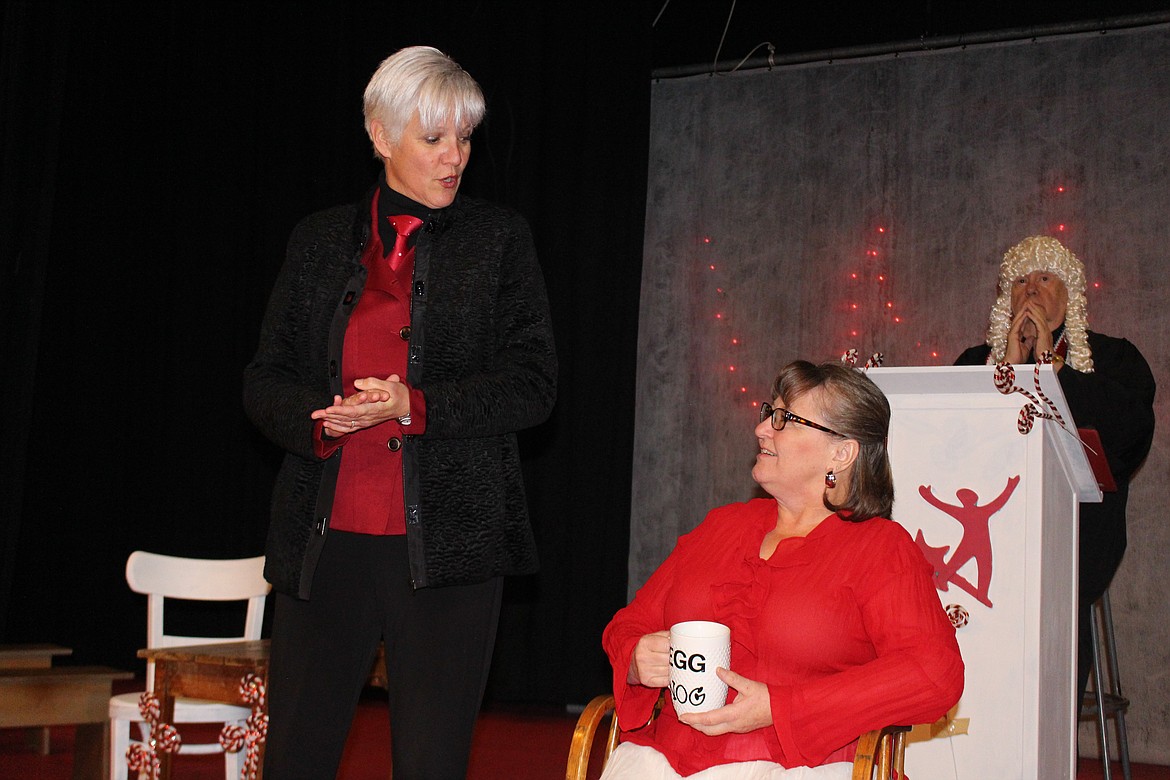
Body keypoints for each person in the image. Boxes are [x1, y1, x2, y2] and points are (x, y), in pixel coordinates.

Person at [243, 46, 556, 778]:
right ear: (381, 137)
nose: (455, 158)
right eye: (434, 138)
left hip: (451, 545)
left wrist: (415, 404)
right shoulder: (318, 240)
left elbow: (533, 386)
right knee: (296, 756)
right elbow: (264, 380)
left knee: (431, 762)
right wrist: (320, 420)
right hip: (325, 543)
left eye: (466, 138)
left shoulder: (499, 240)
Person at [601, 361, 964, 779]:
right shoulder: (722, 526)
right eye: (767, 414)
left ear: (841, 452)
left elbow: (934, 673)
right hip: (662, 762)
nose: (761, 430)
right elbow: (628, 625)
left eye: (784, 419)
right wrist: (636, 658)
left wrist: (784, 707)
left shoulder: (880, 548)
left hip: (795, 767)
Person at [955, 235, 1154, 705]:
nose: (1030, 289)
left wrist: (1051, 369)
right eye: (1021, 280)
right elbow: (958, 441)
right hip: (989, 533)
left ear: (1071, 296)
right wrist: (1007, 367)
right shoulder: (972, 363)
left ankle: (1051, 726)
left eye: (1044, 279)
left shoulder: (1114, 359)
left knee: (1059, 596)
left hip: (1077, 536)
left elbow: (1130, 433)